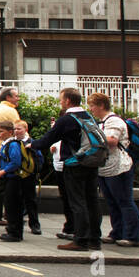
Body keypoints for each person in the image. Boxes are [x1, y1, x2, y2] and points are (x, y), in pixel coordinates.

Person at [35, 88, 101, 251]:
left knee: (77, 202)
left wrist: (32, 144)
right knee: (92, 201)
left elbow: (48, 139)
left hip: (75, 164)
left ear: (68, 101)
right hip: (92, 162)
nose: (60, 102)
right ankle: (94, 239)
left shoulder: (66, 119)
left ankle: (80, 240)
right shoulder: (88, 116)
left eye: (61, 100)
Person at [87, 92, 139, 248]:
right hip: (106, 168)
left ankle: (134, 237)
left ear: (101, 105)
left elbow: (112, 141)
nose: (91, 109)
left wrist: (92, 137)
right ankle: (117, 232)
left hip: (119, 167)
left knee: (124, 201)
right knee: (112, 202)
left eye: (92, 105)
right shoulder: (102, 122)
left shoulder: (114, 121)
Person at [0, 87, 21, 224]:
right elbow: (18, 128)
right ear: (8, 97)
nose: (18, 98)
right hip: (3, 149)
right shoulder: (10, 111)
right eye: (16, 96)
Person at [0, 119, 26, 241]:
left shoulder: (12, 145)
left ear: (10, 132)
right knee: (11, 205)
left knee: (13, 206)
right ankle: (13, 231)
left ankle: (14, 232)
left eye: (1, 131)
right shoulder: (7, 144)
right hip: (10, 178)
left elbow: (15, 162)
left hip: (14, 179)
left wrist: (3, 171)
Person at [13, 121, 42, 235]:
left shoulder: (32, 143)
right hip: (16, 175)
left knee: (31, 200)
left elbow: (39, 158)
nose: (16, 131)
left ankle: (34, 224)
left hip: (29, 175)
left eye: (19, 129)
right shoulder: (13, 142)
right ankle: (18, 223)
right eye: (15, 129)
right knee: (17, 200)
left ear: (26, 130)